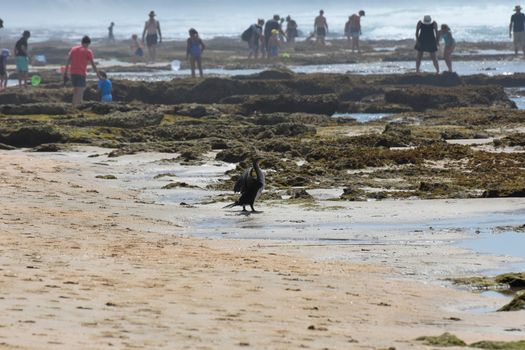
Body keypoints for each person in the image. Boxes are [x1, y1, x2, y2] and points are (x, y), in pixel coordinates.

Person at [63, 36, 101, 106]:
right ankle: (78, 107)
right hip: (81, 73)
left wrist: (65, 73)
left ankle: (74, 107)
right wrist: (99, 76)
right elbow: (93, 65)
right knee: (80, 92)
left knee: (76, 92)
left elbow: (68, 61)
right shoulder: (88, 51)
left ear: (82, 42)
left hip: (73, 73)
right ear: (88, 43)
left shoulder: (73, 49)